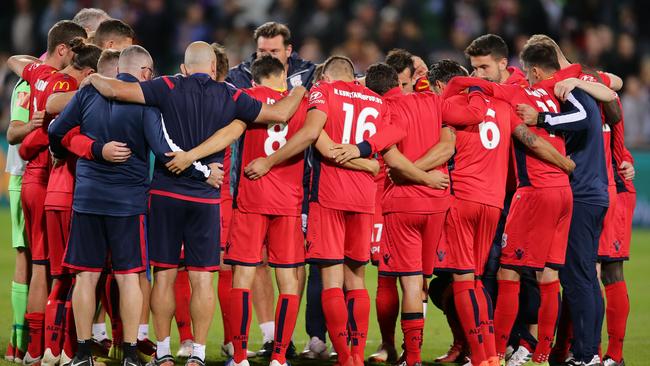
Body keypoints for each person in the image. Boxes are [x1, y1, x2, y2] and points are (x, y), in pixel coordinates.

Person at [84, 41, 306, 366]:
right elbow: (281, 114)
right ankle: (199, 354)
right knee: (203, 278)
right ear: (214, 69)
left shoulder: (166, 85)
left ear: (185, 68)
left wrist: (93, 79)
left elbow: (117, 91)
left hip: (164, 194)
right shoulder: (230, 94)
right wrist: (302, 88)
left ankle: (163, 352)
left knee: (164, 276)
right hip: (205, 198)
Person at [48, 44, 217, 366]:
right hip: (128, 204)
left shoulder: (86, 96)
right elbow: (165, 151)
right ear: (145, 73)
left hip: (87, 199)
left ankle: (82, 353)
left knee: (86, 277)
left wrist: (73, 151)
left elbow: (56, 129)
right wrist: (204, 171)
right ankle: (128, 354)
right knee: (128, 277)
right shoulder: (146, 103)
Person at [431, 57, 575, 366]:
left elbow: (443, 141)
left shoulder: (451, 105)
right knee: (481, 279)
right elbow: (531, 140)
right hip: (494, 204)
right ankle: (491, 355)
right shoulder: (503, 107)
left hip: (463, 199)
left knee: (463, 280)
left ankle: (483, 355)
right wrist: (564, 163)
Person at [517, 41, 617, 366]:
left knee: (578, 277)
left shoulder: (566, 88)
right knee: (584, 276)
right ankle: (588, 352)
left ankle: (586, 355)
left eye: (530, 80)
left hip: (584, 192)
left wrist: (541, 118)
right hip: (593, 191)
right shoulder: (573, 83)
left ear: (534, 71)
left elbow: (585, 118)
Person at [226, 21, 316, 358]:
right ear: (282, 75)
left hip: (250, 197)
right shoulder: (302, 102)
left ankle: (238, 356)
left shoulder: (245, 97)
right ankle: (280, 354)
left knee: (243, 276)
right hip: (289, 202)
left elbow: (230, 131)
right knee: (290, 279)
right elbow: (313, 136)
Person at [364, 62, 458, 366]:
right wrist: (431, 178)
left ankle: (411, 356)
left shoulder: (386, 110)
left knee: (404, 281)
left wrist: (417, 175)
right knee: (422, 281)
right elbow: (448, 146)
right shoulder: (436, 102)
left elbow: (391, 159)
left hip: (402, 203)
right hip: (437, 203)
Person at [6, 20, 88, 365]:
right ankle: (55, 348)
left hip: (29, 179)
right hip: (50, 179)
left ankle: (30, 350)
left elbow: (15, 59)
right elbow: (19, 137)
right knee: (55, 269)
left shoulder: (36, 74)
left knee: (38, 265)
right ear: (66, 50)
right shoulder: (68, 84)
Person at [4, 76, 34, 365]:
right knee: (27, 258)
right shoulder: (29, 83)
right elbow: (16, 131)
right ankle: (18, 341)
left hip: (37, 178)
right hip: (26, 177)